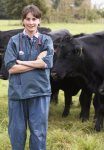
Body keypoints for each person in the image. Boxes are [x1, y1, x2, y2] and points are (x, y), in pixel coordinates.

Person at [4, 4, 54, 150]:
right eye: (28, 19)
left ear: (39, 20)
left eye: (34, 19)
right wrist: (36, 63)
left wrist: (24, 63)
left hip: (40, 92)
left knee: (38, 133)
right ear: (23, 21)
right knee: (16, 132)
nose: (31, 22)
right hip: (17, 93)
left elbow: (47, 63)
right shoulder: (14, 41)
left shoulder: (46, 41)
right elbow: (11, 68)